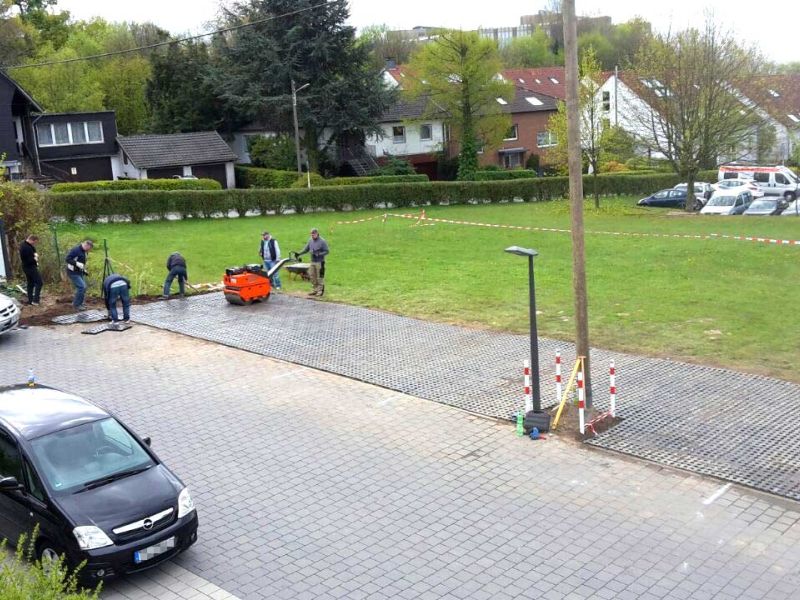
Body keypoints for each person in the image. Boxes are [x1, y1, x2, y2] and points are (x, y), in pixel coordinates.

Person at [296, 228, 329, 296]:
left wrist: (319, 254)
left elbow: (327, 251)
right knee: (312, 276)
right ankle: (315, 290)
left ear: (317, 234)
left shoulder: (322, 241)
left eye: (313, 235)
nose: (312, 236)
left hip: (320, 262)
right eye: (311, 235)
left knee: (319, 277)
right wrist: (299, 253)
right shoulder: (310, 240)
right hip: (312, 261)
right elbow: (306, 249)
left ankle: (320, 291)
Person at [65, 240, 93, 310]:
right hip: (72, 272)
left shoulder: (84, 251)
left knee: (83, 287)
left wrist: (84, 270)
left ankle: (80, 303)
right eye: (89, 248)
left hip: (79, 271)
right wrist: (76, 263)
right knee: (82, 287)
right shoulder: (76, 250)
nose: (89, 250)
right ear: (86, 245)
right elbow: (67, 259)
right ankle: (76, 305)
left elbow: (82, 262)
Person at [19, 234, 43, 306]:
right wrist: (35, 259)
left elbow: (33, 251)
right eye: (35, 242)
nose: (35, 243)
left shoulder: (28, 245)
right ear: (32, 240)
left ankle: (30, 300)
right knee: (39, 282)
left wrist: (35, 254)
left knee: (30, 283)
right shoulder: (25, 247)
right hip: (29, 267)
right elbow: (27, 260)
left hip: (28, 267)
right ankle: (35, 301)